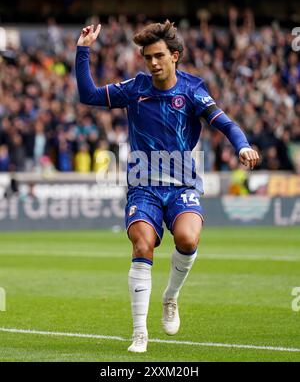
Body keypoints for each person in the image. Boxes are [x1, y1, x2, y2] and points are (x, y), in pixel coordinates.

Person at [75, 20, 259, 353]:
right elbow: (87, 95)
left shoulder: (192, 91)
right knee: (142, 245)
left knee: (188, 239)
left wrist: (242, 145)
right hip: (143, 184)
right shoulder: (136, 88)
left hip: (181, 183)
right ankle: (139, 332)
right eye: (148, 57)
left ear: (175, 56)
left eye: (159, 55)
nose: (154, 62)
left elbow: (225, 123)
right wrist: (83, 49)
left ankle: (170, 296)